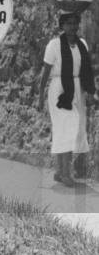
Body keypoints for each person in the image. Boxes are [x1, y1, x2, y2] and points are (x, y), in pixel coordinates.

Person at [38, 12, 95, 186]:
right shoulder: (54, 45)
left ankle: (59, 171)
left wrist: (90, 92)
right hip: (60, 90)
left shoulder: (81, 44)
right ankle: (65, 173)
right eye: (68, 23)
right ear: (62, 26)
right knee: (66, 128)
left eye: (75, 23)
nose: (72, 27)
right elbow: (45, 72)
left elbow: (87, 70)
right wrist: (40, 95)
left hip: (77, 89)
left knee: (75, 129)